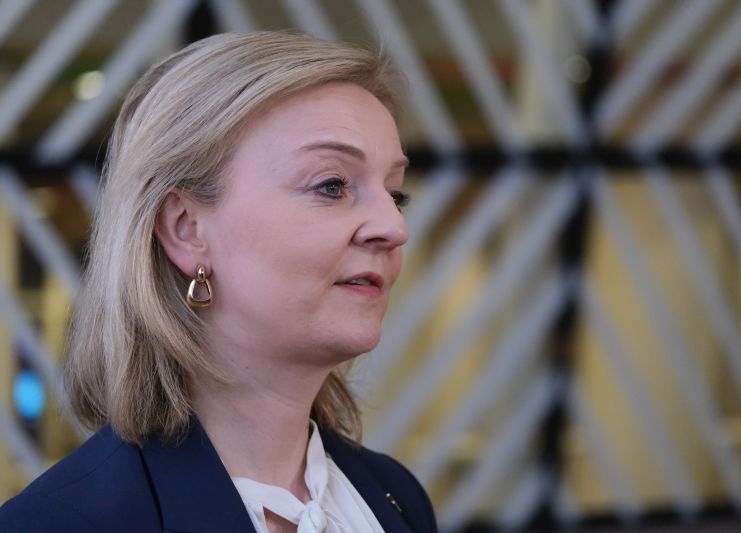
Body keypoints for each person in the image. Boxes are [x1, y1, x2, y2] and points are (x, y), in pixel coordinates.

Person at [0, 31, 437, 533]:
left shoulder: (397, 499)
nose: (394, 227)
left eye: (395, 195)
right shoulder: (60, 523)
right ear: (186, 228)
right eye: (332, 185)